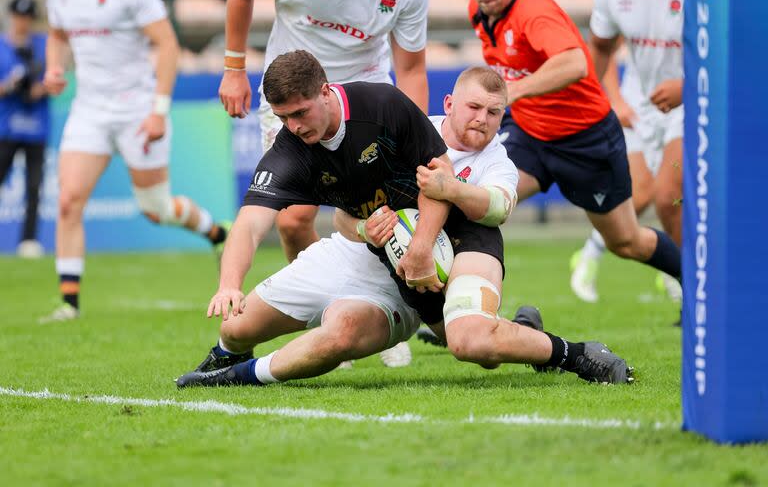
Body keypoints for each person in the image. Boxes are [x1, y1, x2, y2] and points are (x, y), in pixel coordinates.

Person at [176, 58, 632, 388]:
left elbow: (494, 206)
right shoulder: (304, 147)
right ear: (450, 103)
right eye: (473, 107)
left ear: (325, 91)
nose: (482, 120)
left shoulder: (400, 116)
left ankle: (575, 353)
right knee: (235, 327)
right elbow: (266, 220)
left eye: (493, 112)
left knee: (471, 342)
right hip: (379, 252)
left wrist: (424, 239)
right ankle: (226, 357)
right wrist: (229, 283)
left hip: (462, 242)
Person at [220, 0, 430, 366]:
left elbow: (412, 69)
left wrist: (412, 135)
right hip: (294, 99)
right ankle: (335, 314)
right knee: (292, 221)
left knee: (378, 215)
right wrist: (234, 68)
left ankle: (383, 309)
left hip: (366, 97)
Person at [466, 0, 681, 297]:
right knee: (477, 207)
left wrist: (514, 90)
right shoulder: (480, 9)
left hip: (585, 141)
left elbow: (576, 62)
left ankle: (698, 286)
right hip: (529, 133)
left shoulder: (534, 11)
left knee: (626, 241)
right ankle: (462, 314)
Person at [41, 0, 229, 322]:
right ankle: (69, 303)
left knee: (156, 208)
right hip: (89, 111)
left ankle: (217, 232)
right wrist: (53, 68)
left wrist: (158, 112)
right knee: (68, 201)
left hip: (138, 111)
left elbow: (168, 44)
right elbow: (56, 35)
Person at [569, 0, 683, 303]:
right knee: (638, 195)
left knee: (668, 197)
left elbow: (723, 49)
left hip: (690, 101)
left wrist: (686, 88)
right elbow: (601, 48)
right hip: (638, 103)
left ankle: (693, 286)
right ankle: (590, 257)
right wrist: (613, 101)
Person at [0, 0, 49, 258]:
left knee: (34, 187)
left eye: (28, 17)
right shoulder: (1, 46)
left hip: (36, 128)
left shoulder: (43, 46)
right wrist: (11, 85)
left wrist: (38, 89)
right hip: (6, 128)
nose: (23, 22)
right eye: (19, 17)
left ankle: (28, 241)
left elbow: (54, 79)